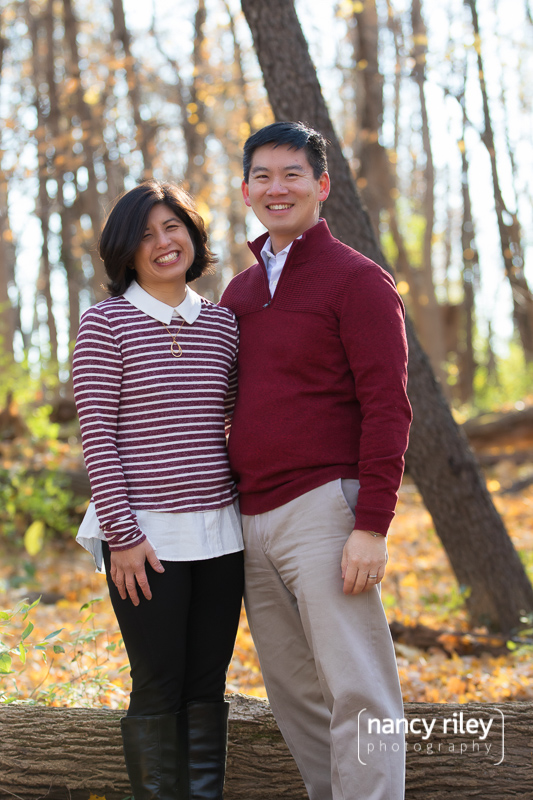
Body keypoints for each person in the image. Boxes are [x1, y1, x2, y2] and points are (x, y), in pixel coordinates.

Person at [220, 122, 412, 800]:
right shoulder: (237, 295)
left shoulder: (357, 281)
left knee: (359, 688)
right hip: (252, 518)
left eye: (292, 174)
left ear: (321, 186)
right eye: (264, 176)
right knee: (295, 696)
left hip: (323, 510)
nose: (278, 188)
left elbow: (388, 408)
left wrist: (371, 524)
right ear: (246, 191)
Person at [72, 180, 244, 800]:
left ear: (193, 236)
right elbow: (99, 438)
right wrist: (122, 535)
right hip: (144, 539)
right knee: (158, 684)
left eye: (172, 227)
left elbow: (228, 425)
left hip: (222, 535)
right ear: (125, 251)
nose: (162, 243)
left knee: (207, 686)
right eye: (144, 234)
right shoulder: (105, 324)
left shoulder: (224, 325)